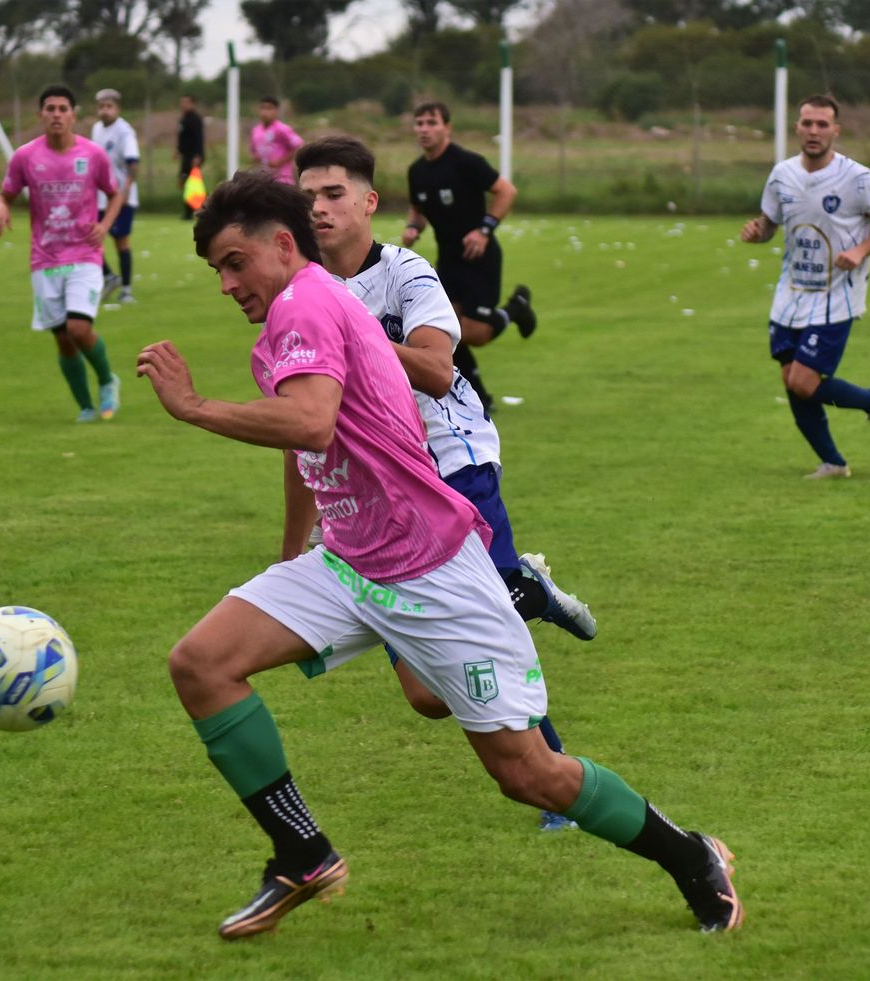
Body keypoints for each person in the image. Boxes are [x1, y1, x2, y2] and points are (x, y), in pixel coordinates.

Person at [135, 171, 744, 940]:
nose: (225, 284)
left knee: (529, 773)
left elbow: (312, 423)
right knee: (201, 662)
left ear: (282, 246)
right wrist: (289, 557)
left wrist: (192, 407)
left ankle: (690, 854)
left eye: (232, 262)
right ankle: (301, 847)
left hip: (429, 566)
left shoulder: (307, 301)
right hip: (353, 560)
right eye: (216, 271)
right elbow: (308, 447)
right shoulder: (304, 307)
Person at [295, 135, 595, 832]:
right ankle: (532, 589)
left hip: (452, 457)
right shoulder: (302, 292)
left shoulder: (406, 274)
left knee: (486, 622)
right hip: (379, 484)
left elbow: (435, 370)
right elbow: (308, 419)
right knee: (429, 694)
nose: (319, 207)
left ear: (369, 202)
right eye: (307, 196)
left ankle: (555, 785)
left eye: (334, 193)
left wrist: (352, 337)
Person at [740, 94, 870, 480]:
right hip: (790, 295)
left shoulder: (856, 178)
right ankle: (833, 463)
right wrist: (757, 232)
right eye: (807, 123)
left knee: (803, 381)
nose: (813, 131)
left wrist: (859, 251)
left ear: (835, 131)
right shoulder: (782, 175)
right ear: (797, 128)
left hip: (835, 296)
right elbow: (771, 224)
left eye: (822, 124)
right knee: (792, 383)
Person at [0, 85, 126, 423]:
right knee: (64, 339)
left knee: (79, 329)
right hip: (45, 259)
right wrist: (0, 209)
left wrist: (105, 224)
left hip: (84, 255)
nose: (56, 114)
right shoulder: (25, 157)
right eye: (50, 108)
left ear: (73, 115)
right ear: (41, 115)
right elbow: (4, 195)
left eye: (63, 109)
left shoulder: (92, 155)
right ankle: (85, 406)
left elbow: (115, 194)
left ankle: (108, 380)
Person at [403, 101, 535, 413]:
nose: (424, 129)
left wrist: (484, 230)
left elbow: (506, 191)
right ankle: (479, 397)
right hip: (448, 260)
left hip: (480, 258)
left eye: (431, 123)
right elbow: (418, 209)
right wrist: (412, 227)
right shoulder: (417, 171)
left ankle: (515, 309)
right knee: (447, 332)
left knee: (476, 334)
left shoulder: (465, 162)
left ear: (447, 128)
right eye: (419, 123)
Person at [90, 88, 141, 304]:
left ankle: (126, 290)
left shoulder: (124, 131)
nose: (105, 110)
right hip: (99, 197)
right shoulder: (97, 129)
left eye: (109, 106)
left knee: (121, 242)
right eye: (102, 106)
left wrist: (126, 189)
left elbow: (133, 163)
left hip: (120, 198)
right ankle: (109, 276)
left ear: (117, 108)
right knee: (90, 238)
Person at [250, 96, 303, 184]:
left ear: (276, 111)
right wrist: (255, 157)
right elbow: (254, 150)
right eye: (262, 108)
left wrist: (281, 161)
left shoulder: (282, 129)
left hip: (282, 180)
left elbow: (298, 146)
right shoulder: (256, 130)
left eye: (269, 108)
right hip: (262, 179)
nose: (265, 112)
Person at [177, 94, 205, 220]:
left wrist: (197, 155)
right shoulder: (183, 119)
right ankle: (189, 212)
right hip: (185, 156)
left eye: (186, 102)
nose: (183, 105)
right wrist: (178, 150)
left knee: (194, 185)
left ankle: (202, 210)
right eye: (182, 102)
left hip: (194, 157)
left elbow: (199, 138)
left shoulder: (195, 119)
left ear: (192, 104)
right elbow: (182, 138)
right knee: (184, 183)